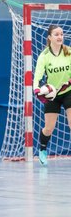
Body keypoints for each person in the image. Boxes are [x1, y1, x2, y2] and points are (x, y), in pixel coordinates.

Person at [33, 25, 71, 166]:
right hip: (52, 94)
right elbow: (37, 77)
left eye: (61, 34)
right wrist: (37, 89)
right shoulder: (44, 56)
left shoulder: (68, 52)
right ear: (49, 37)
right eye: (56, 34)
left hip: (69, 92)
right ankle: (43, 149)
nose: (60, 36)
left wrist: (69, 82)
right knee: (49, 128)